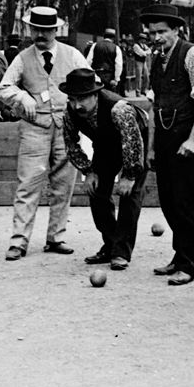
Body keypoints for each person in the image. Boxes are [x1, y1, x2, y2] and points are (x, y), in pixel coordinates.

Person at [0, 6, 88, 261]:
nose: (41, 34)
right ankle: (19, 241)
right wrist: (21, 96)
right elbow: (3, 88)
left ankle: (56, 237)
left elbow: (90, 85)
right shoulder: (23, 58)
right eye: (36, 29)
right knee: (28, 185)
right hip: (34, 129)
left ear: (55, 30)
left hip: (66, 129)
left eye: (46, 30)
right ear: (30, 29)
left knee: (63, 185)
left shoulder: (73, 55)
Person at [142, 3, 194, 286]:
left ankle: (189, 264)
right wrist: (150, 148)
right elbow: (152, 106)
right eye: (152, 33)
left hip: (186, 137)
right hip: (164, 137)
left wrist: (193, 140)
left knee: (184, 202)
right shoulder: (156, 59)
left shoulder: (193, 54)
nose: (156, 37)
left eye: (162, 32)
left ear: (176, 30)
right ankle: (178, 256)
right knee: (169, 201)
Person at [61, 68, 149, 270]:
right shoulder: (70, 113)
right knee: (97, 192)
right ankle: (110, 244)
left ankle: (121, 252)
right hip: (105, 145)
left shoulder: (119, 109)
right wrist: (88, 171)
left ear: (95, 94)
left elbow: (132, 142)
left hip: (136, 141)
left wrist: (129, 175)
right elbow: (71, 145)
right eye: (72, 99)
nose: (77, 105)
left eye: (82, 99)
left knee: (130, 195)